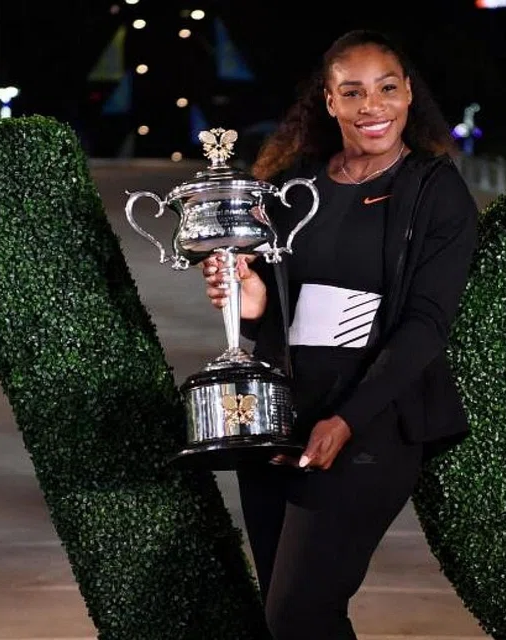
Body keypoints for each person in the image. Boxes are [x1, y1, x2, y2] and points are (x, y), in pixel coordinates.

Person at [201, 28, 479, 640]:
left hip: (371, 423)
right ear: (329, 102)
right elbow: (278, 310)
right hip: (278, 418)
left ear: (408, 94)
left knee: (298, 614)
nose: (371, 106)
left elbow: (426, 325)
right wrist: (249, 302)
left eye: (386, 88)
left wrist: (346, 420)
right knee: (287, 621)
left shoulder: (435, 191)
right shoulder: (291, 188)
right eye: (352, 92)